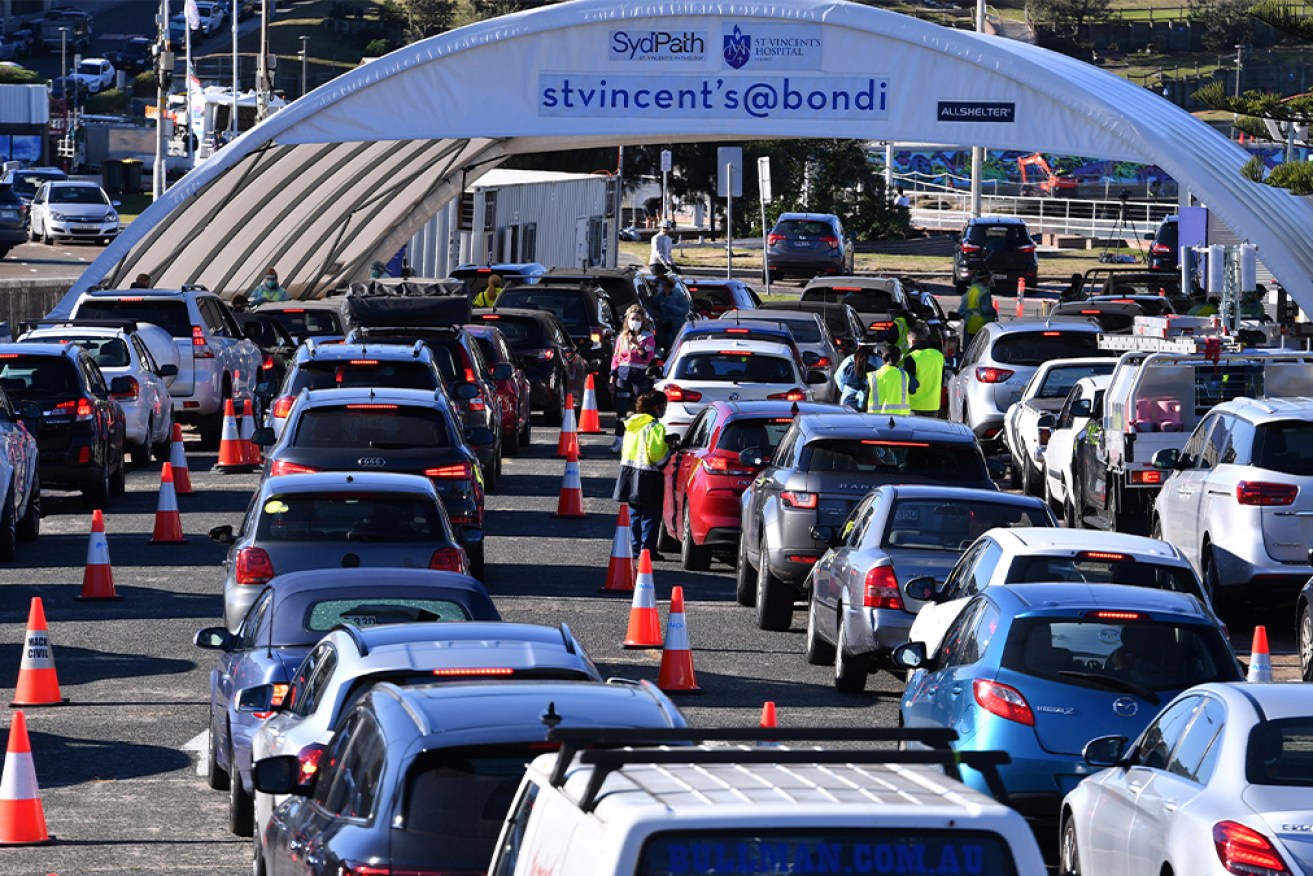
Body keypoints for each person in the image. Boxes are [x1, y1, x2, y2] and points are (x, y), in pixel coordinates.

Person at [613, 390, 675, 560]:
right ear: (655, 408)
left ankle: (635, 548)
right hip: (649, 475)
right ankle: (647, 550)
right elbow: (656, 455)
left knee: (635, 514)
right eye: (663, 406)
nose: (664, 409)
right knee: (650, 515)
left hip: (628, 473)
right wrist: (668, 453)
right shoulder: (655, 426)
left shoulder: (633, 424)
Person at [609, 305, 657, 453]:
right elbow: (616, 358)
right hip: (623, 375)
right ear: (627, 320)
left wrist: (637, 344)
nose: (634, 321)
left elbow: (647, 358)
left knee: (640, 410)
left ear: (642, 321)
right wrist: (612, 377)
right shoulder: (622, 337)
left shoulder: (647, 338)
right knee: (621, 409)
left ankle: (639, 441)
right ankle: (619, 439)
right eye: (632, 319)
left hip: (639, 374)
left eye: (637, 319)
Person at [903, 322, 945, 417]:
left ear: (913, 342)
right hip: (933, 406)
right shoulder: (938, 355)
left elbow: (908, 384)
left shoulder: (912, 357)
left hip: (914, 406)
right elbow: (941, 381)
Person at [648, 264, 691, 353]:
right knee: (664, 348)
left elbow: (685, 309)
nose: (657, 287)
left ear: (665, 284)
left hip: (676, 327)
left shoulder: (677, 294)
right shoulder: (659, 296)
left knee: (674, 347)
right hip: (663, 328)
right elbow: (652, 307)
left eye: (659, 285)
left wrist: (673, 308)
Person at [866, 345, 915, 415]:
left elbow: (865, 399)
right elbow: (913, 389)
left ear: (883, 358)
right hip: (901, 417)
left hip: (876, 418)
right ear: (899, 359)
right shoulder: (904, 375)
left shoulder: (873, 376)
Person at [959, 270, 997, 350]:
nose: (991, 280)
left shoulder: (972, 289)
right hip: (981, 325)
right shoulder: (984, 292)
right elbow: (986, 310)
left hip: (970, 324)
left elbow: (962, 309)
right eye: (989, 278)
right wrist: (994, 312)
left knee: (970, 350)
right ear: (985, 279)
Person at [834, 343, 874, 410]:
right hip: (868, 400)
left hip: (847, 398)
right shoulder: (878, 361)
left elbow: (838, 377)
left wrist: (845, 389)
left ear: (858, 346)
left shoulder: (850, 359)